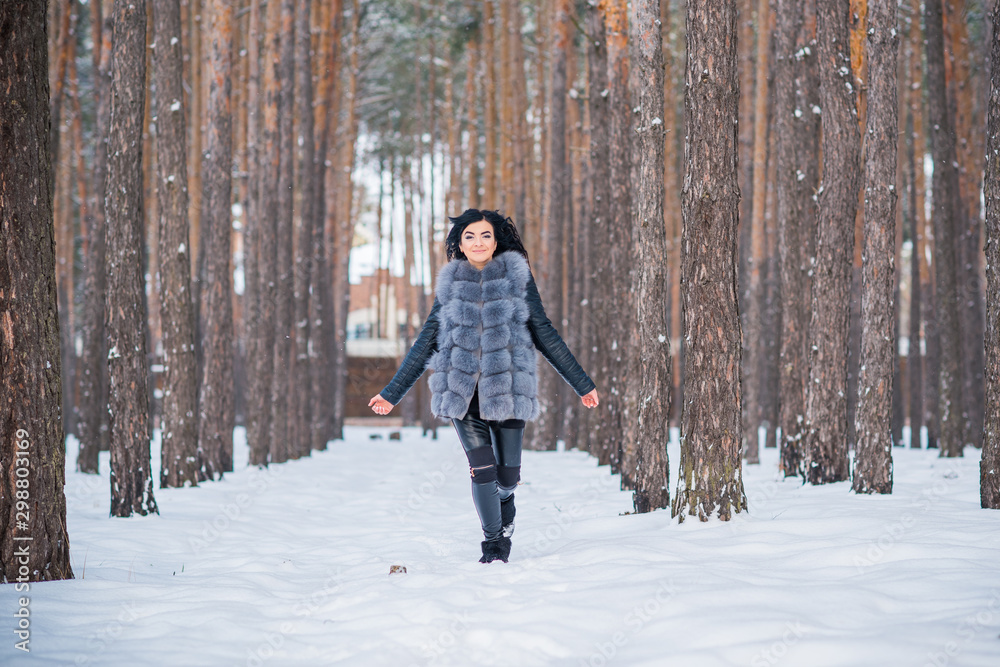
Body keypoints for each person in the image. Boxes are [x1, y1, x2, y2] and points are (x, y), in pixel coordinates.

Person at [368, 209, 600, 563]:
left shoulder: (516, 278)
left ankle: (506, 499)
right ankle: (494, 545)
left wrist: (581, 383)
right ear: (459, 244)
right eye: (470, 237)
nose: (478, 243)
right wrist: (391, 393)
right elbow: (427, 341)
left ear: (496, 241)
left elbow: (544, 333)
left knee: (506, 478)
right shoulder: (451, 284)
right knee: (482, 470)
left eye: (485, 236)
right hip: (462, 395)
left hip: (507, 391)